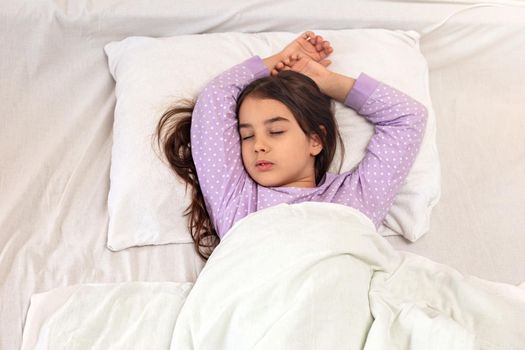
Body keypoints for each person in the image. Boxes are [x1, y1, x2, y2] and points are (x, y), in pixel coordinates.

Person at [155, 31, 428, 260]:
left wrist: (327, 82)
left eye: (275, 131)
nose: (258, 146)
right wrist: (277, 60)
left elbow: (408, 117)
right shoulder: (237, 198)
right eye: (247, 136)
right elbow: (215, 98)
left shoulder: (356, 198)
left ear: (315, 141)